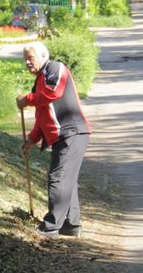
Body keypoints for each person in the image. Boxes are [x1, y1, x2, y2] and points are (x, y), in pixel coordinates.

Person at [16, 41, 91, 238]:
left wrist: (28, 99)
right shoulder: (39, 80)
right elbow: (42, 117)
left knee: (58, 178)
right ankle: (71, 224)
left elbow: (52, 92)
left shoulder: (55, 68)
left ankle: (50, 226)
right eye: (25, 60)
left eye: (30, 58)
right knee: (67, 180)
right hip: (61, 136)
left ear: (42, 56)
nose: (27, 63)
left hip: (72, 132)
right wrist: (31, 141)